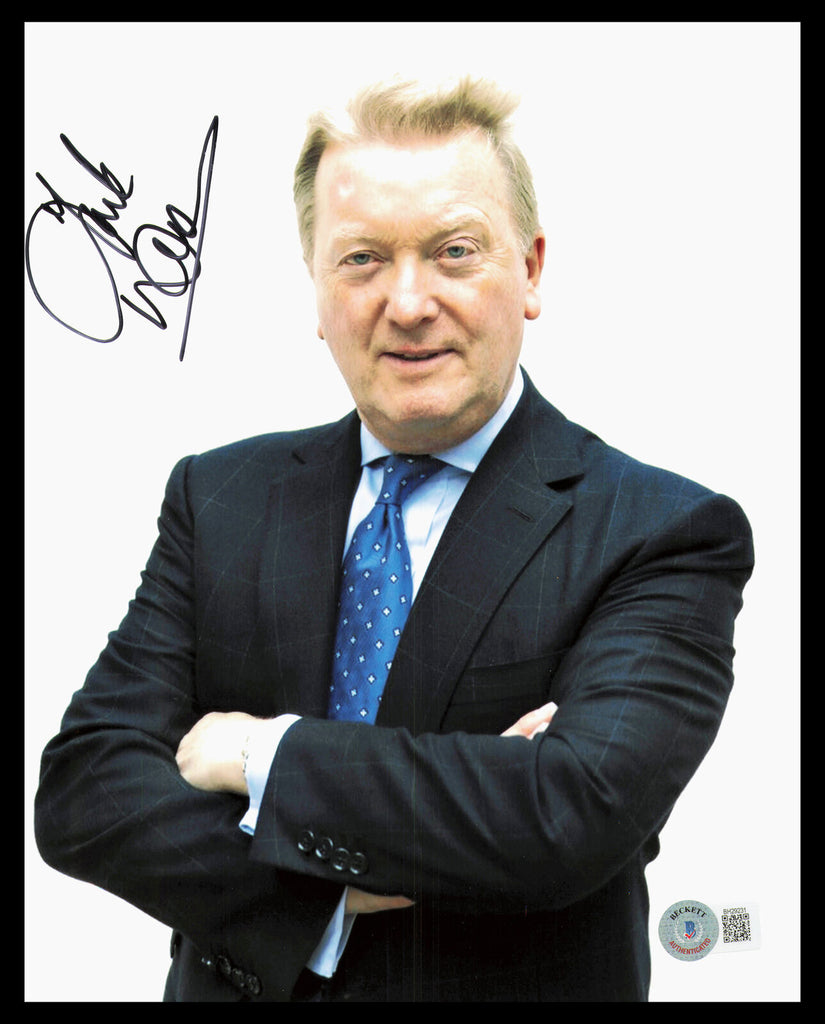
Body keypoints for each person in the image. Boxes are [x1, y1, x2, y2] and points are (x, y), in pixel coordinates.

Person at [34, 77, 754, 1002]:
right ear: (315, 289)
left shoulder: (659, 531)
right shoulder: (219, 498)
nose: (407, 303)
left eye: (454, 252)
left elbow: (567, 812)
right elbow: (86, 791)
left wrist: (260, 755)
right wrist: (321, 894)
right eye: (362, 259)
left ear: (531, 270)